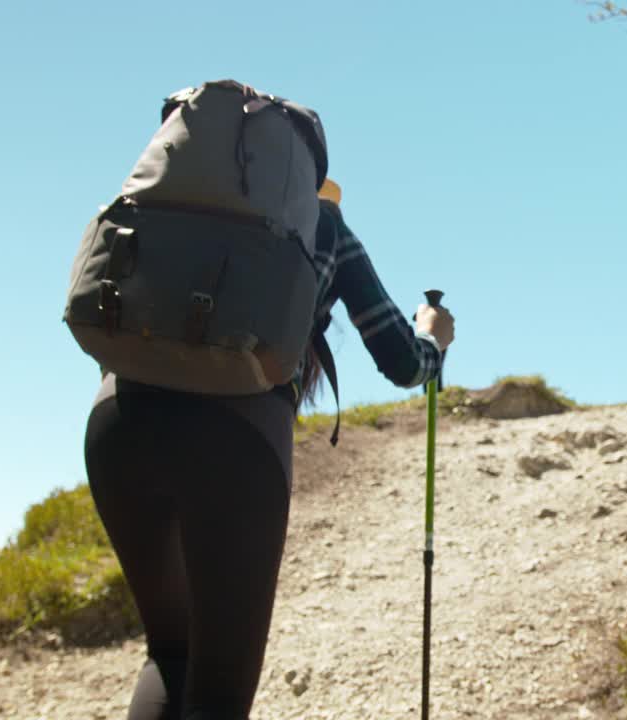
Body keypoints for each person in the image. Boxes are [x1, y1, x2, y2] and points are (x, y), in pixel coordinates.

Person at [82, 179, 455, 720]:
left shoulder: (164, 207)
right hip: (238, 435)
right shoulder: (323, 224)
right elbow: (402, 362)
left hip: (118, 420)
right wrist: (433, 340)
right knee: (218, 692)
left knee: (168, 654)